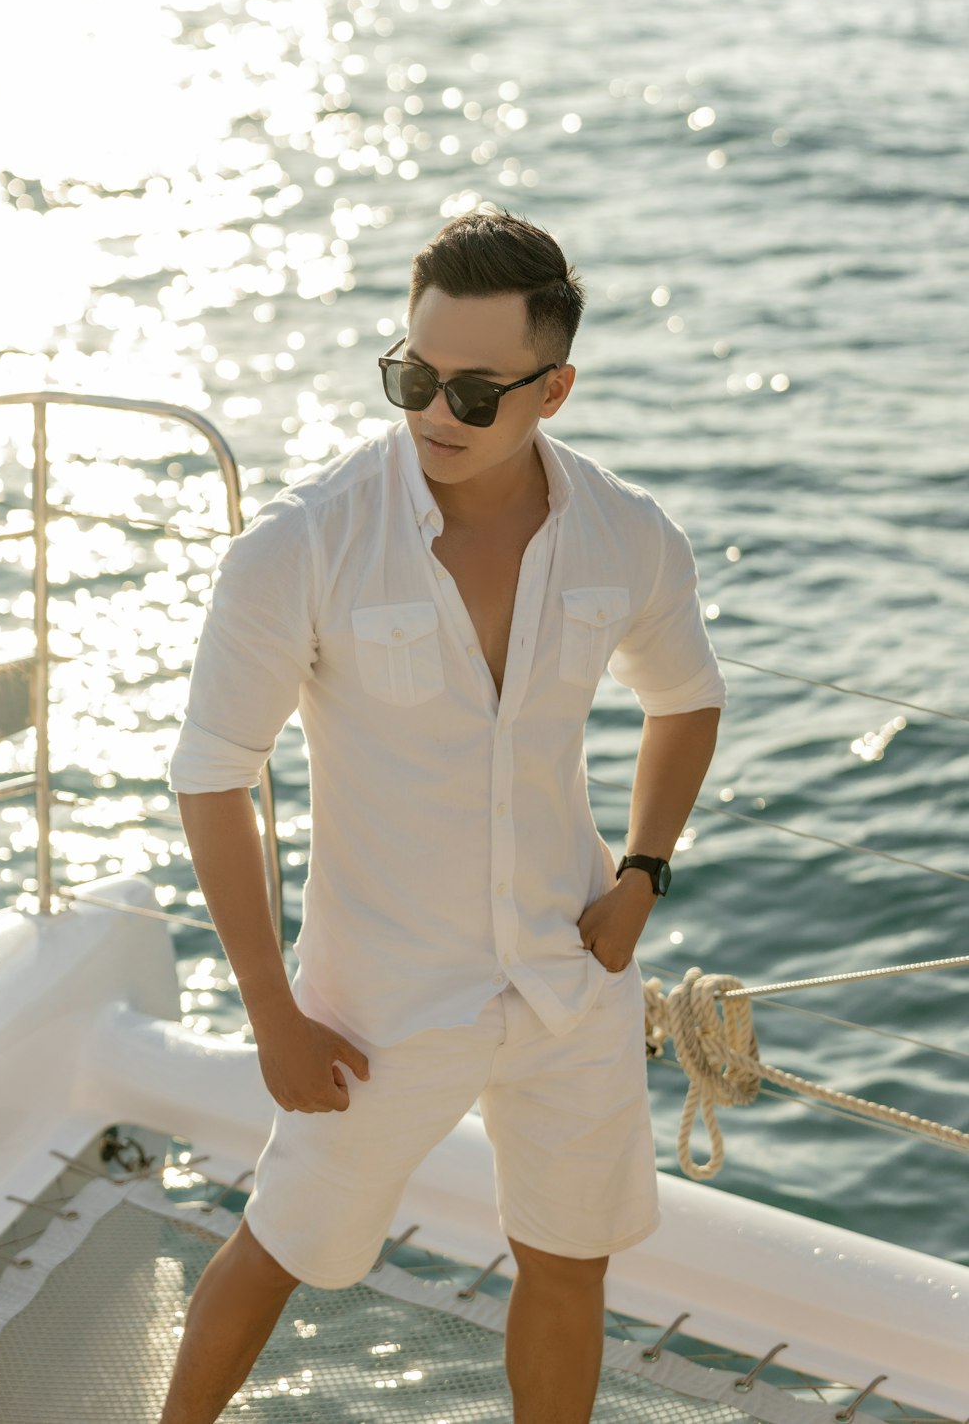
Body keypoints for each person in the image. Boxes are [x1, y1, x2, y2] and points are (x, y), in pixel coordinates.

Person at [161, 206, 726, 1424]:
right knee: (281, 1249)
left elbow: (685, 701)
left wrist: (640, 877)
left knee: (571, 1266)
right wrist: (274, 1013)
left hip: (569, 976)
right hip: (375, 1000)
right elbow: (212, 777)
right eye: (412, 376)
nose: (432, 415)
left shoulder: (626, 535)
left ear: (554, 388)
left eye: (475, 392)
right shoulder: (300, 548)